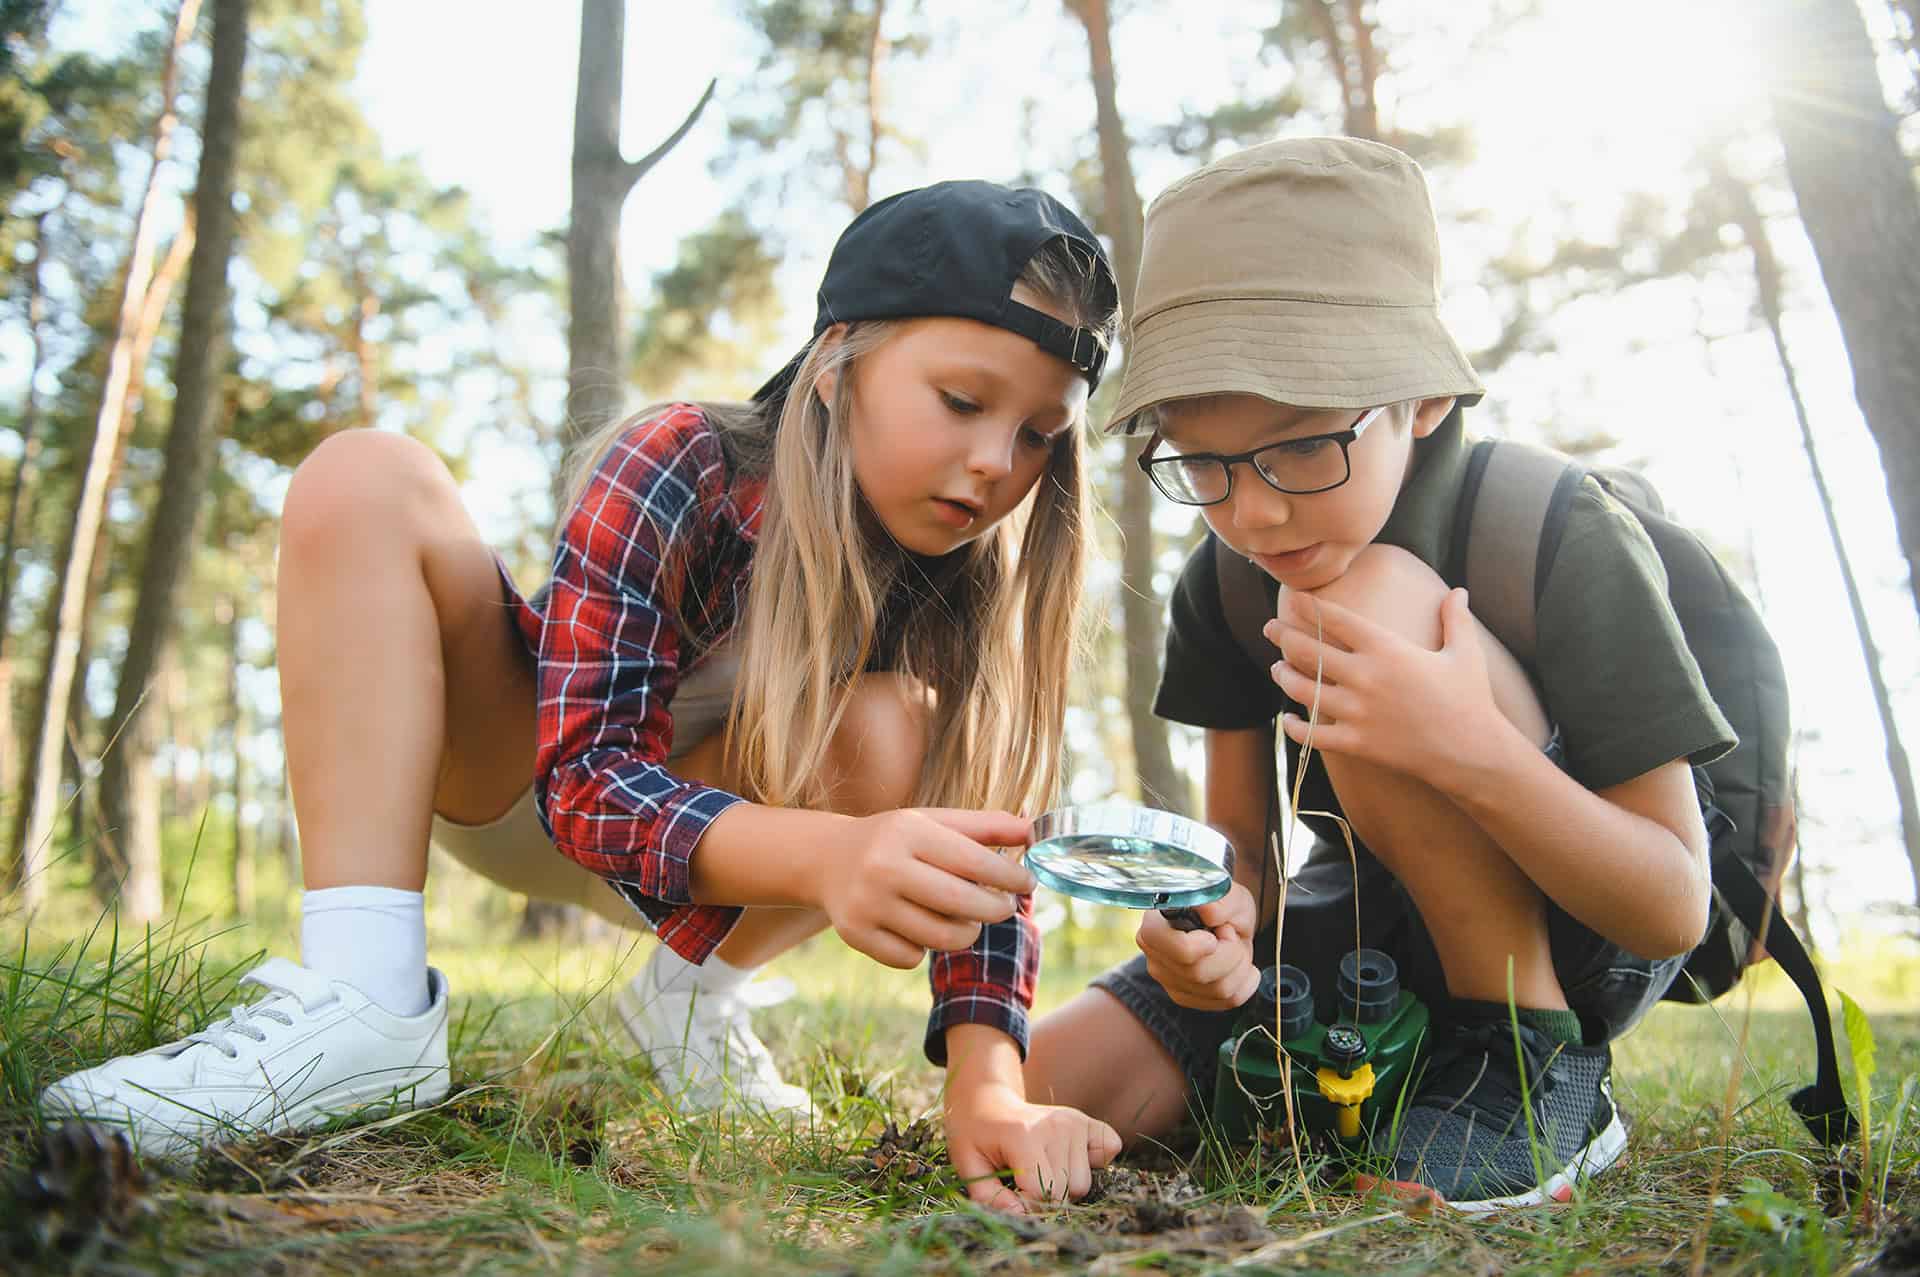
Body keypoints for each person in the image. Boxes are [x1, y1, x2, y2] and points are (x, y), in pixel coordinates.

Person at [42, 180, 1125, 1211]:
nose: (996, 463)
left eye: (1039, 433)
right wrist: (830, 854)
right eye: (962, 400)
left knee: (909, 729)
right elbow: (585, 778)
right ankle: (363, 1006)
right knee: (366, 472)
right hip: (518, 784)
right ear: (837, 365)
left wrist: (989, 1085)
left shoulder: (969, 588)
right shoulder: (684, 461)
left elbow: (988, 859)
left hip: (717, 892)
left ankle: (685, 998)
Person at [1021, 137, 1734, 1212]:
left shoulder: (1558, 532)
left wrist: (1472, 749)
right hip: (1358, 935)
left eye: (1304, 446)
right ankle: (1331, 1073)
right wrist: (1206, 936)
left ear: (1424, 399)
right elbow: (1245, 861)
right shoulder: (1229, 581)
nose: (1254, 512)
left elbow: (1674, 905)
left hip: (1574, 930)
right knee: (1033, 1079)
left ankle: (1532, 1070)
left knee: (1368, 603)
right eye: (1201, 463)